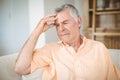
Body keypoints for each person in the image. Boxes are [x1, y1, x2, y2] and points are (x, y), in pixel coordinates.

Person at [14, 4, 120, 80]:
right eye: (57, 25)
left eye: (65, 23)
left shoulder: (99, 48)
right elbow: (20, 68)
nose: (61, 29)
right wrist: (37, 31)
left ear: (79, 21)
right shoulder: (50, 49)